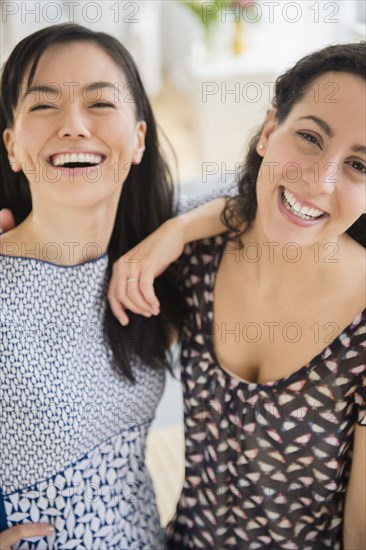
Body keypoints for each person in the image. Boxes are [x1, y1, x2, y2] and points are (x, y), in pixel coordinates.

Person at [107, 43, 366, 549]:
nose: (320, 179)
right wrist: (177, 229)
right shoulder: (200, 253)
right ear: (270, 131)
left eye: (362, 165)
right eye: (311, 136)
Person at [0, 23, 228, 549]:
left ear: (139, 138)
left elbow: (279, 182)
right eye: (43, 106)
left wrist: (176, 231)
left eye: (101, 103)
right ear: (12, 147)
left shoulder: (152, 242)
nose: (75, 125)